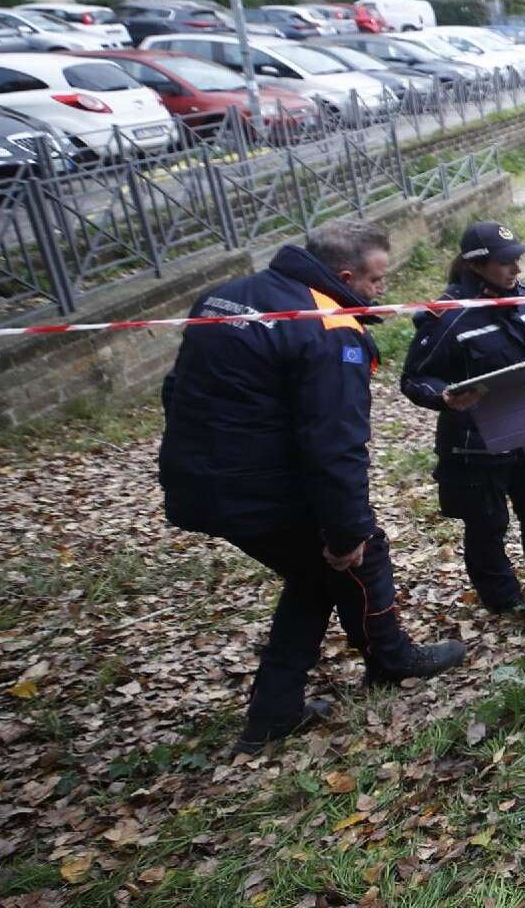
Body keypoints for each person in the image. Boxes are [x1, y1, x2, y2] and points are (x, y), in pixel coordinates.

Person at [158, 219, 465, 753]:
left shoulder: (224, 297)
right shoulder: (331, 329)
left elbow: (175, 388)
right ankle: (391, 659)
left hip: (197, 473)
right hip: (256, 483)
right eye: (375, 280)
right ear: (344, 275)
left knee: (314, 574)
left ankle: (276, 712)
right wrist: (348, 529)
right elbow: (333, 443)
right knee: (356, 555)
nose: (381, 291)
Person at [400, 221, 525, 617]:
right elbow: (415, 378)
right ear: (477, 266)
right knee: (487, 523)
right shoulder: (446, 315)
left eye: (517, 260)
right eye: (506, 263)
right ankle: (503, 599)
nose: (516, 270)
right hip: (475, 441)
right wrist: (445, 397)